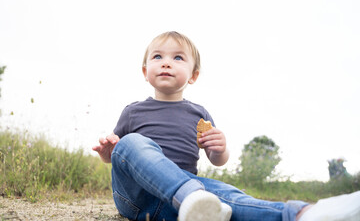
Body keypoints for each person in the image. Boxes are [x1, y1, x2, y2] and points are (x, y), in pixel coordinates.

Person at [93, 31, 360, 221]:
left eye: (178, 58)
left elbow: (217, 159)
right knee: (130, 143)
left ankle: (307, 214)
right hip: (138, 198)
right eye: (158, 56)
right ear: (145, 71)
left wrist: (220, 149)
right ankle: (190, 197)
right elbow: (121, 156)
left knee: (231, 196)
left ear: (193, 75)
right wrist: (109, 154)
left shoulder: (199, 114)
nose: (166, 62)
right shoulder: (133, 111)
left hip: (189, 196)